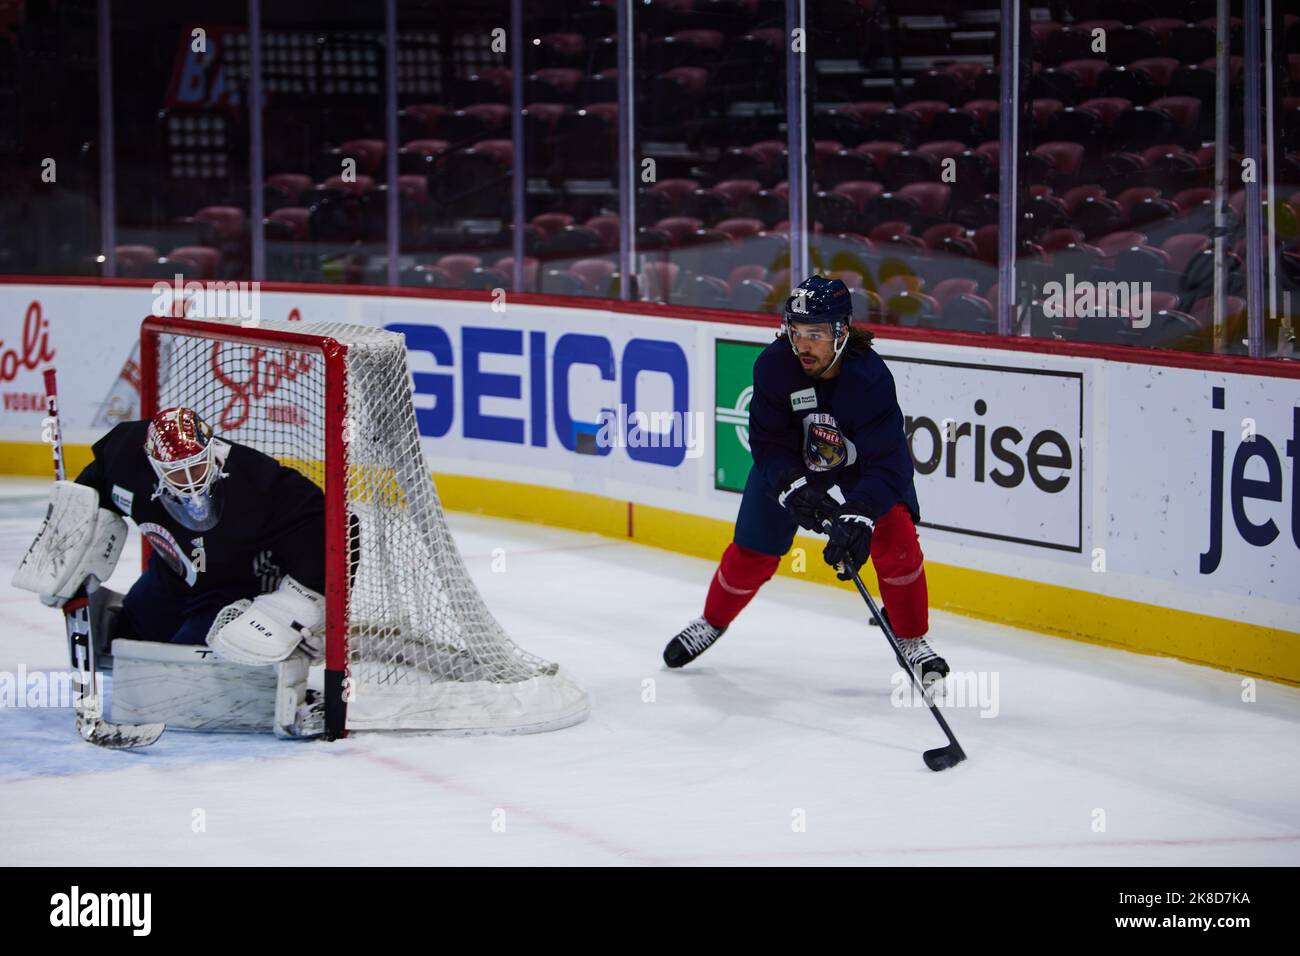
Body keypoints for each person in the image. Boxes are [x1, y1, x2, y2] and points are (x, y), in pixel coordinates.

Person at [663, 275, 948, 686]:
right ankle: (711, 621)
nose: (802, 344)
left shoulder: (869, 379)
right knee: (752, 551)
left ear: (841, 332)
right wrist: (794, 488)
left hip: (856, 467)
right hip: (792, 462)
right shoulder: (775, 366)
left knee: (896, 538)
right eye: (794, 331)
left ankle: (912, 640)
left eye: (814, 333)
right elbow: (767, 441)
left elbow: (888, 464)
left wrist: (860, 516)